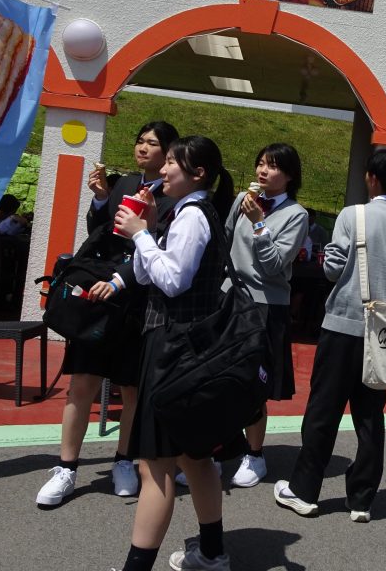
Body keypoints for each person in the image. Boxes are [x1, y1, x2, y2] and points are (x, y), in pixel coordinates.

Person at [274, 147, 386, 522]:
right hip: (383, 334)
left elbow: (331, 270)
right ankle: (361, 498)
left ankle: (304, 491)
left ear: (371, 178)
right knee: (370, 415)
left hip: (343, 325)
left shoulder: (352, 216)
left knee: (323, 411)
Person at [35, 121, 178, 508]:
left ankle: (124, 460)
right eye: (140, 140)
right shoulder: (124, 184)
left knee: (131, 388)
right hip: (98, 299)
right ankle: (66, 468)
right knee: (81, 382)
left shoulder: (171, 197)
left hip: (138, 301)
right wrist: (101, 199)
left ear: (169, 152)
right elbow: (99, 235)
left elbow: (159, 251)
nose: (142, 148)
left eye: (152, 143)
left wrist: (122, 278)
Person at [113, 135, 236, 571]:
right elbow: (149, 276)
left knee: (156, 467)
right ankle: (213, 552)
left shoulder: (193, 216)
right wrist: (145, 232)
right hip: (187, 349)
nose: (162, 171)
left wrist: (142, 235)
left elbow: (173, 282)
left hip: (172, 349)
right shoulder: (189, 212)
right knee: (194, 458)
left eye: (171, 164)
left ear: (197, 174)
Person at [225, 143, 308, 488]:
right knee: (220, 378)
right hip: (230, 297)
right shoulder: (242, 200)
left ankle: (255, 454)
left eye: (272, 166)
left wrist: (259, 223)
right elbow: (225, 240)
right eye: (260, 163)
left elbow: (274, 265)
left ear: (289, 176)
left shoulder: (296, 215)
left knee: (254, 383)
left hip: (265, 304)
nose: (262, 171)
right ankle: (218, 450)